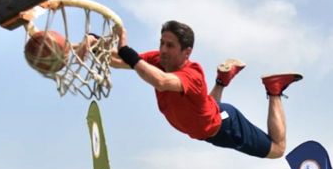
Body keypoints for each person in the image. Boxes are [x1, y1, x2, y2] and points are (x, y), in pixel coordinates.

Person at [111, 21, 302, 159]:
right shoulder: (160, 59)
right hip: (206, 121)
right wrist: (90, 47)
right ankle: (222, 80)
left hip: (226, 126)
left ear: (187, 52)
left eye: (170, 46)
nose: (163, 50)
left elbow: (161, 81)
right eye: (161, 43)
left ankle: (274, 88)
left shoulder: (192, 73)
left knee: (277, 150)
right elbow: (120, 60)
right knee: (204, 107)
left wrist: (127, 51)